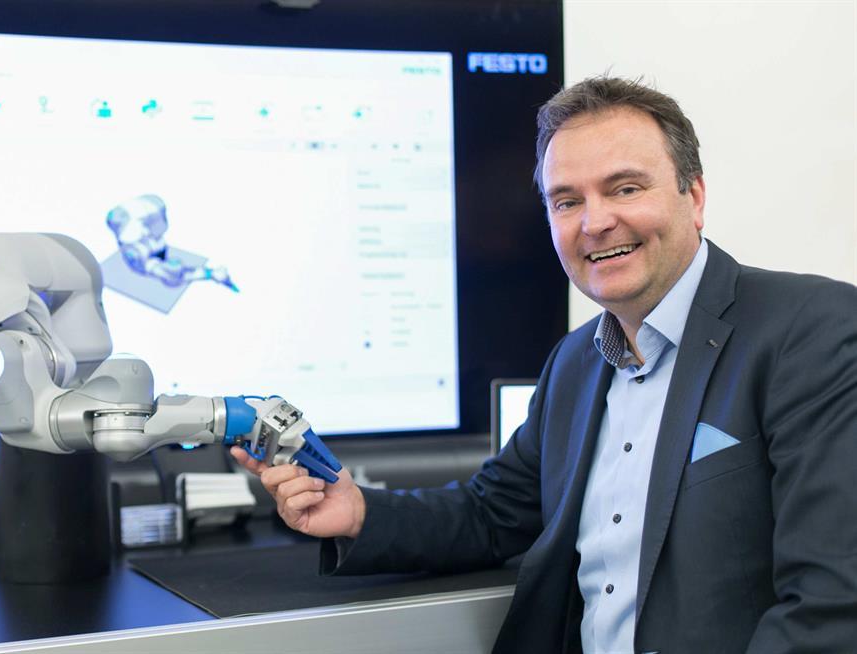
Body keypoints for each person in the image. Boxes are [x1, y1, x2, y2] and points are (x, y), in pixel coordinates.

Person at [231, 77, 857, 654]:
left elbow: (830, 605)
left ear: (693, 196)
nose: (595, 222)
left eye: (626, 188)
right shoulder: (575, 363)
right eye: (566, 201)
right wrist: (357, 512)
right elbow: (492, 514)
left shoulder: (812, 329)